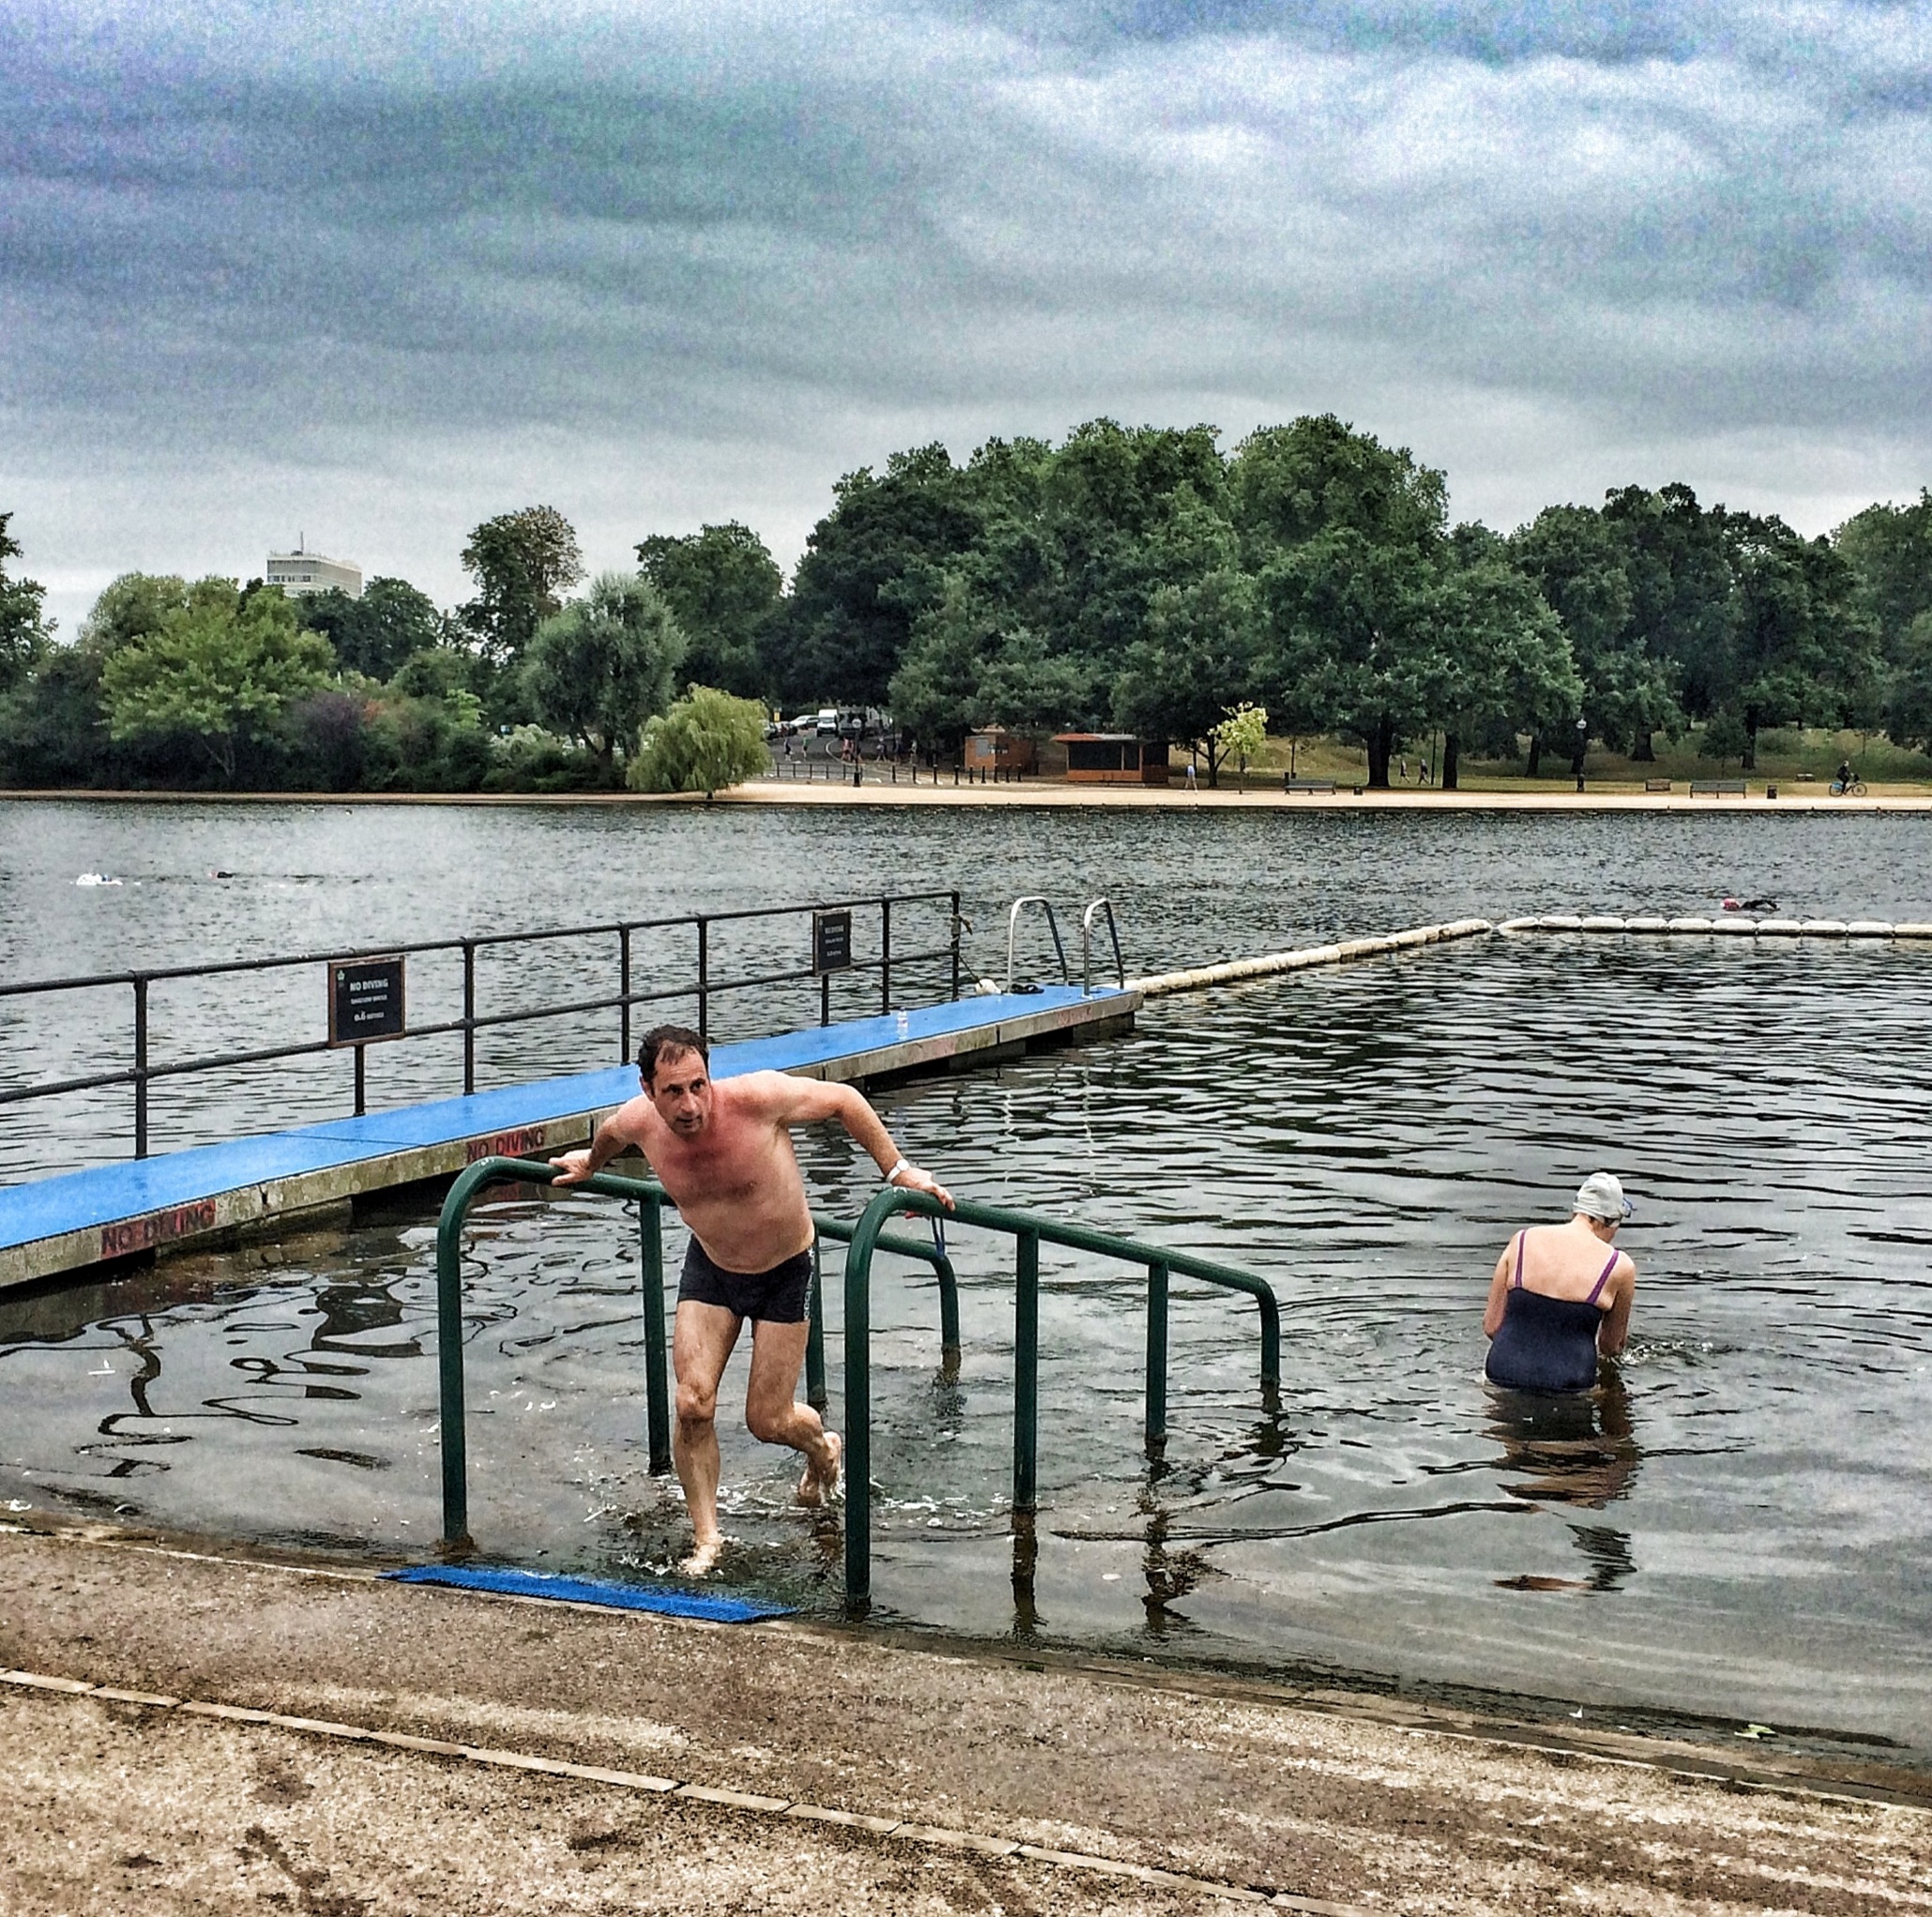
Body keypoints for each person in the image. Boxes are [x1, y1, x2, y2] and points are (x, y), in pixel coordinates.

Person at [551, 1026, 953, 1577]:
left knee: (768, 1419)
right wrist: (590, 1165)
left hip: (786, 1269)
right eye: (673, 1092)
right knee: (693, 1403)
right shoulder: (638, 1121)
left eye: (699, 1085)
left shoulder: (756, 1100)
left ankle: (823, 1449)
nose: (691, 1105)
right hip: (713, 1267)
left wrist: (899, 1171)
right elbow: (611, 1135)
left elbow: (843, 1100)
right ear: (648, 1089)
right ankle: (708, 1538)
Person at [1483, 1172, 1636, 1392]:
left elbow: (1491, 1325)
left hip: (1502, 1374)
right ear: (1611, 1222)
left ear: (1576, 1211)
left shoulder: (1522, 1240)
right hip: (1569, 1386)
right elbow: (1611, 1347)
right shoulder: (1620, 1266)